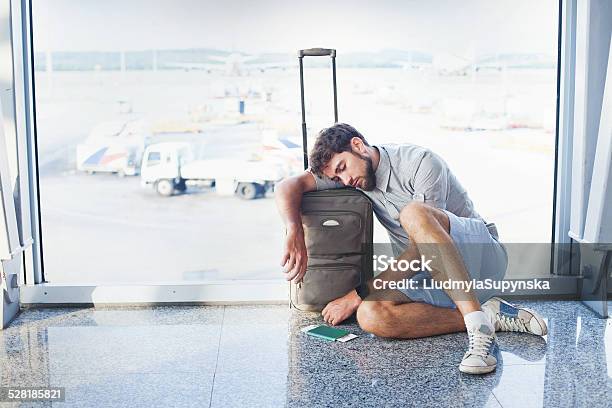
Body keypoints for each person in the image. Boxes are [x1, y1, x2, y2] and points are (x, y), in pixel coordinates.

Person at [275, 123, 547, 375]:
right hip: (431, 274)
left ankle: (480, 335)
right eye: (337, 176)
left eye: (343, 167)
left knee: (413, 214)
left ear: (358, 145)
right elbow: (288, 186)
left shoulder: (419, 162)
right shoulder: (356, 178)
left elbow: (424, 247)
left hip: (480, 257)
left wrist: (359, 292)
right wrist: (294, 230)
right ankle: (488, 315)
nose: (344, 180)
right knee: (370, 315)